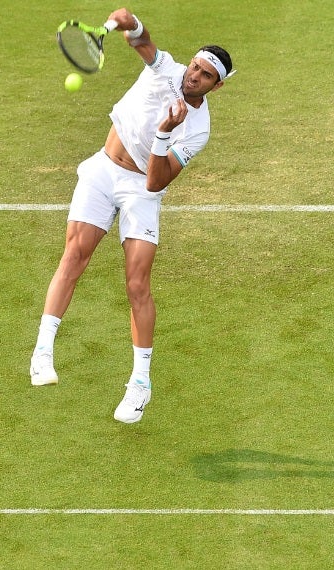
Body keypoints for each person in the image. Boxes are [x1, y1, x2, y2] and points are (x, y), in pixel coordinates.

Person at [29, 8, 234, 424]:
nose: (194, 76)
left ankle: (140, 383)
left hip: (141, 189)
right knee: (74, 256)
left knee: (137, 284)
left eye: (205, 75)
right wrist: (126, 22)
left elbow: (155, 182)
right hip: (103, 170)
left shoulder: (198, 129)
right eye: (195, 66)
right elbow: (139, 39)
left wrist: (164, 132)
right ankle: (42, 352)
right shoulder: (166, 69)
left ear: (218, 85)